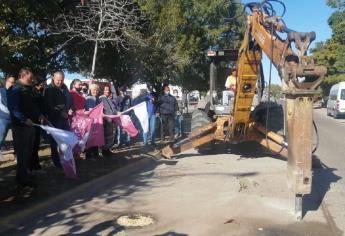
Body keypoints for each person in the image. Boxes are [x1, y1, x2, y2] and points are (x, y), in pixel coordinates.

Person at [7, 68, 46, 188]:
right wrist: (24, 119)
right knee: (22, 153)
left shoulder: (30, 89)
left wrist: (39, 114)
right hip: (20, 126)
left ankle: (25, 175)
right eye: (30, 78)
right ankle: (22, 179)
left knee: (29, 151)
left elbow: (34, 105)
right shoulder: (15, 89)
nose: (32, 80)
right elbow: (13, 108)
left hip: (32, 125)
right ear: (22, 76)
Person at [44, 71, 73, 168]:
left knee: (66, 140)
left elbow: (70, 101)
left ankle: (66, 159)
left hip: (65, 119)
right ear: (53, 78)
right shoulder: (49, 89)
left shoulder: (65, 88)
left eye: (61, 80)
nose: (60, 82)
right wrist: (61, 113)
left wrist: (71, 109)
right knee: (55, 142)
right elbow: (49, 105)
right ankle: (56, 162)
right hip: (55, 119)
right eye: (58, 80)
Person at [30, 76, 47, 173]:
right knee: (33, 144)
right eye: (42, 83)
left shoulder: (40, 92)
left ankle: (36, 165)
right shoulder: (33, 93)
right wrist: (40, 114)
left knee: (36, 144)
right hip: (34, 121)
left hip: (39, 120)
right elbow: (35, 107)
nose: (43, 85)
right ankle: (33, 166)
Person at [99, 85, 118, 156]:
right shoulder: (101, 98)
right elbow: (106, 110)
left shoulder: (108, 99)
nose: (107, 91)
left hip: (110, 120)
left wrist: (116, 113)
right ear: (102, 90)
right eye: (105, 90)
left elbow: (113, 109)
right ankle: (104, 151)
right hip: (106, 120)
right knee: (106, 136)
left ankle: (108, 149)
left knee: (110, 135)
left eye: (108, 90)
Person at [85, 83, 101, 158]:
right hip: (91, 121)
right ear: (90, 90)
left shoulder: (97, 98)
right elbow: (90, 111)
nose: (96, 91)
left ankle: (95, 153)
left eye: (97, 90)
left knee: (95, 137)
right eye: (94, 90)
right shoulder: (89, 98)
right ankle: (89, 155)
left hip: (96, 121)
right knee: (90, 138)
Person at [0, 75, 15, 149]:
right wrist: (9, 111)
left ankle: (17, 155)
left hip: (14, 117)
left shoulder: (15, 92)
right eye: (11, 82)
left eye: (13, 83)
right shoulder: (1, 91)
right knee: (1, 136)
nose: (12, 84)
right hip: (3, 118)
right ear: (6, 81)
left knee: (16, 137)